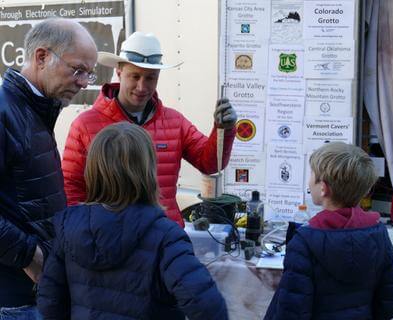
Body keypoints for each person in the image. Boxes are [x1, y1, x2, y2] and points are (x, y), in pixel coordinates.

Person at [37, 122, 228, 320]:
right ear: (148, 171)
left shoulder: (69, 228)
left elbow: (49, 303)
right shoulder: (165, 236)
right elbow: (207, 306)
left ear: (92, 170)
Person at [62, 31, 237, 227]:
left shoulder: (174, 121)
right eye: (134, 76)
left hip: (164, 237)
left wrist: (224, 130)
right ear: (119, 72)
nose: (142, 86)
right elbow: (71, 189)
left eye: (150, 78)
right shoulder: (85, 125)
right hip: (112, 240)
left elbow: (210, 164)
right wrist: (85, 235)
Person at [0, 18, 97, 318]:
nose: (83, 82)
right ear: (42, 57)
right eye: (77, 70)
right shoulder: (6, 113)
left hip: (35, 292)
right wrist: (30, 255)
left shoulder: (35, 110)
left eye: (89, 73)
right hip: (14, 299)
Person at [265, 142, 393, 319]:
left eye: (311, 175)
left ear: (323, 188)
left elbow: (291, 312)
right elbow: (390, 303)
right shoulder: (379, 233)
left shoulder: (304, 241)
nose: (309, 181)